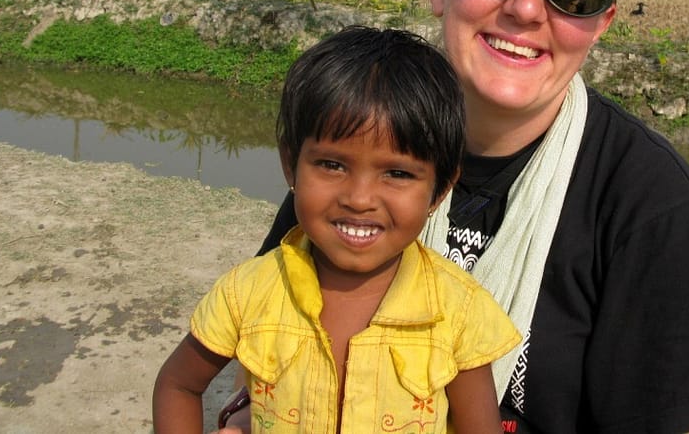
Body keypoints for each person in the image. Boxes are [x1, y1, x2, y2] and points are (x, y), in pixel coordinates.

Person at [234, 0, 689, 433]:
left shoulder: (646, 198)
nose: (526, 8)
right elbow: (270, 338)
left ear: (602, 22)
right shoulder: (363, 131)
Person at [153, 26, 521, 434]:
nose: (359, 199)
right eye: (332, 165)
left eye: (397, 173)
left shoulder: (460, 313)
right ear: (290, 164)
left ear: (440, 191)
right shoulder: (248, 293)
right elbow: (178, 385)